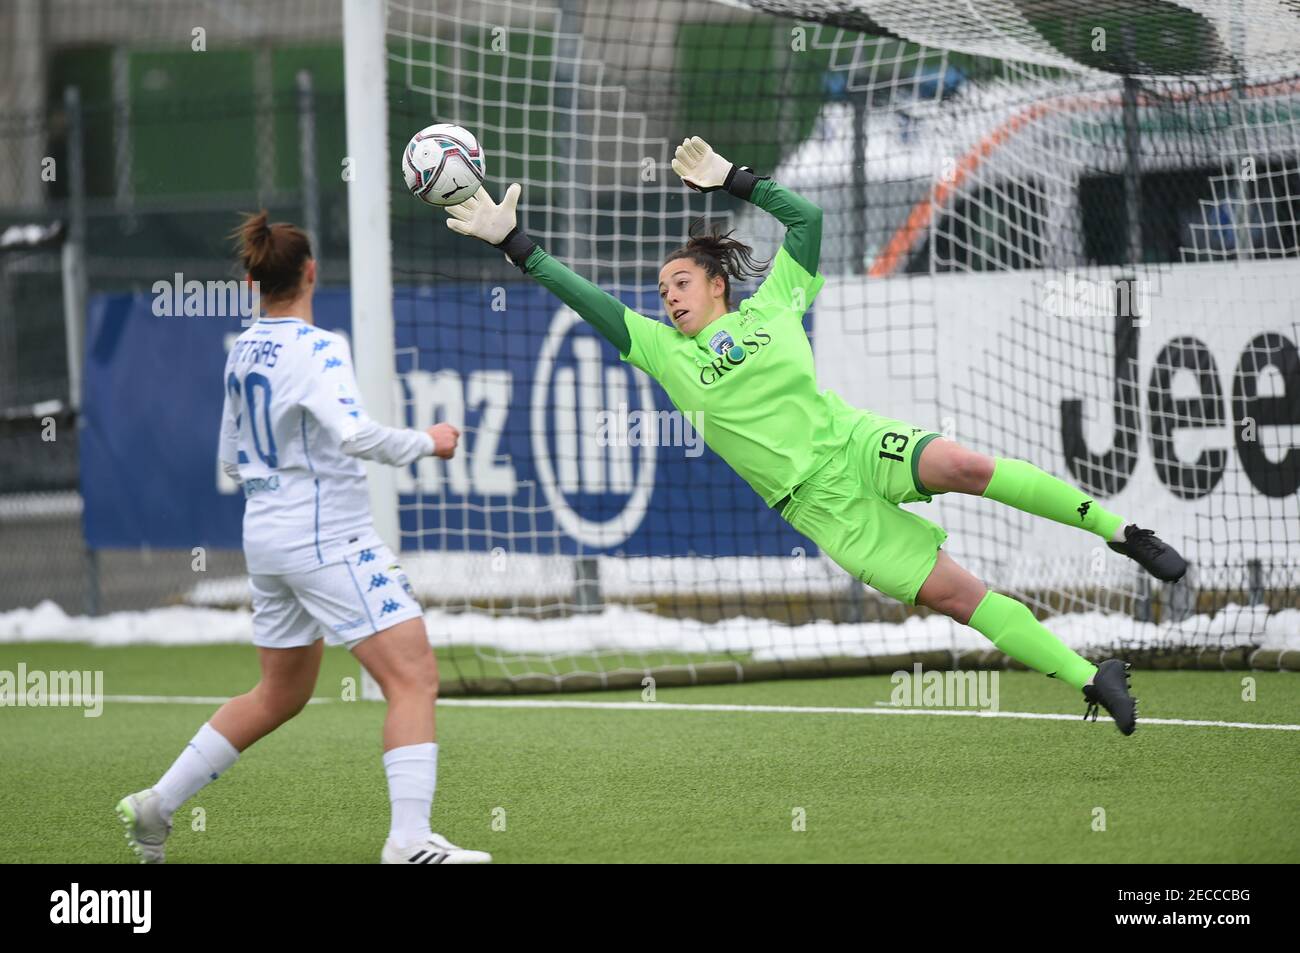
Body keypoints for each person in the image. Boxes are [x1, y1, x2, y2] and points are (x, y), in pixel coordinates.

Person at [443, 136, 1190, 735]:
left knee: (963, 462)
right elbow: (589, 301)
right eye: (662, 289)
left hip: (854, 440)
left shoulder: (774, 305)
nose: (667, 296)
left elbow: (808, 221)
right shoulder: (663, 352)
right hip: (821, 508)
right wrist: (518, 245)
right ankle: (1091, 678)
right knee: (963, 597)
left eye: (679, 282)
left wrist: (736, 179)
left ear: (716, 283)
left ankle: (1122, 530)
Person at [115, 211, 491, 864]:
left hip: (266, 538)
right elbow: (355, 435)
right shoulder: (319, 347)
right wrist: (427, 442)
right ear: (311, 272)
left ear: (254, 281)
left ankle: (157, 804)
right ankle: (407, 841)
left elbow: (230, 454)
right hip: (329, 539)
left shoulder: (243, 348)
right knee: (414, 678)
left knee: (281, 693)